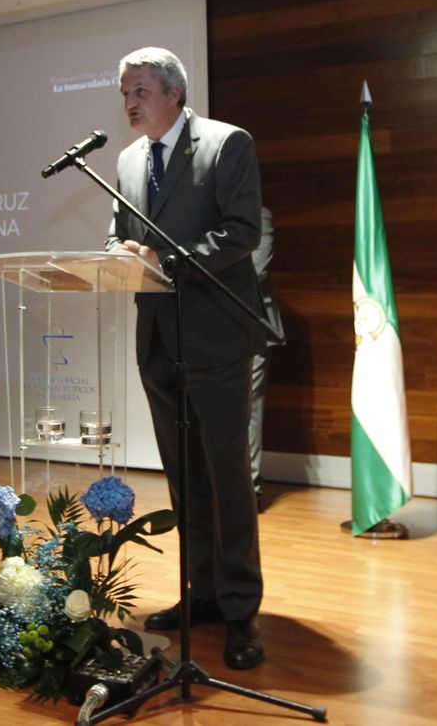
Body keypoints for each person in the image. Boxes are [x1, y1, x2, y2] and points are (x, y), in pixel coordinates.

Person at [106, 46, 267, 670]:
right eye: (124, 92)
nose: (130, 102)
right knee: (184, 480)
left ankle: (240, 610)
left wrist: (165, 261)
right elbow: (122, 227)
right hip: (158, 339)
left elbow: (240, 231)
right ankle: (200, 594)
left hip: (215, 337)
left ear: (174, 91)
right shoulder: (124, 160)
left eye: (140, 89)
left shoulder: (227, 144)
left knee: (227, 480)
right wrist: (117, 252)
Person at [249, 206, 283, 508]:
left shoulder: (259, 215)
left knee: (248, 409)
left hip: (251, 327)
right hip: (205, 329)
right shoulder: (203, 215)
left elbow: (254, 270)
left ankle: (250, 489)